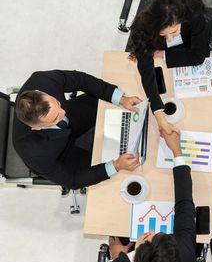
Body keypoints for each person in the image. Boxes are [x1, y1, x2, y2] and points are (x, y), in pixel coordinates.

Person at [87, 129, 197, 262]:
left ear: (138, 247)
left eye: (149, 235)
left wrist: (115, 259)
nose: (151, 231)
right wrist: (177, 153)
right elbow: (185, 204)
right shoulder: (185, 254)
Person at [12, 70, 142, 190]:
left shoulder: (42, 80)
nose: (63, 112)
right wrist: (116, 166)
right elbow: (72, 180)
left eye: (57, 103)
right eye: (55, 118)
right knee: (119, 170)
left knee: (112, 105)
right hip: (62, 153)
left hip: (75, 114)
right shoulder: (34, 154)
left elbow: (81, 80)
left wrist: (121, 98)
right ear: (37, 128)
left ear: (42, 92)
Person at [126, 0, 210, 136]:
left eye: (174, 31)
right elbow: (146, 70)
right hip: (167, 64)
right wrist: (159, 115)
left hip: (184, 53)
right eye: (163, 34)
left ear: (181, 19)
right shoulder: (145, 25)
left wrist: (162, 54)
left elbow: (197, 56)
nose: (170, 38)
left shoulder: (194, 15)